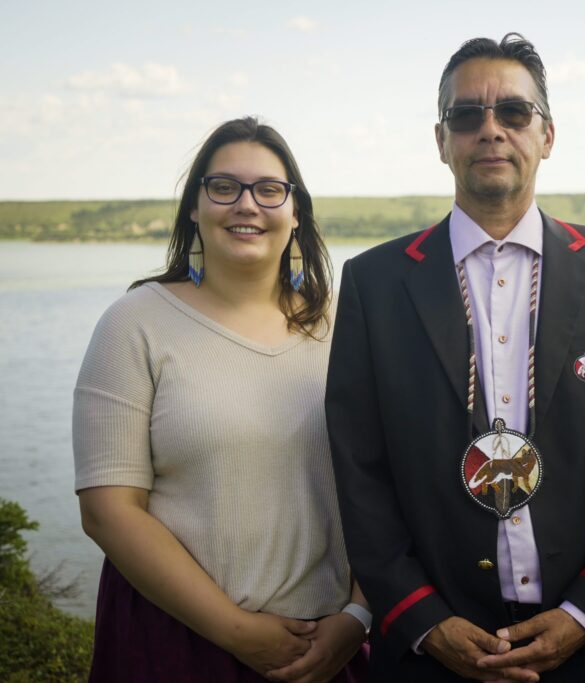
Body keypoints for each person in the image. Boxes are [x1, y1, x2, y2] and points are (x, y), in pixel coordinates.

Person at [325, 33, 585, 682]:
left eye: (513, 113)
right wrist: (421, 616)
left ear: (547, 135)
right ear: (441, 140)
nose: (491, 130)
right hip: (432, 655)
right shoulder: (374, 284)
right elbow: (359, 470)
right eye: (467, 115)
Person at [73, 117, 370, 682]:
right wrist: (236, 631)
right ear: (195, 206)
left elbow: (391, 484)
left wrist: (358, 615)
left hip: (327, 646)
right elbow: (107, 510)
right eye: (224, 187)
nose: (247, 205)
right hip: (172, 640)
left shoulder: (347, 324)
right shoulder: (135, 323)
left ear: (296, 210)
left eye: (269, 189)